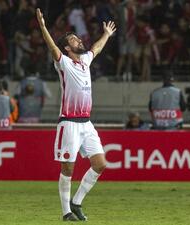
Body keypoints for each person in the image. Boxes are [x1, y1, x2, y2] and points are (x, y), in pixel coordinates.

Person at [36, 8, 116, 221]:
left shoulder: (85, 61)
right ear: (67, 47)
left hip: (87, 123)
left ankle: (77, 202)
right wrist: (43, 27)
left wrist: (106, 35)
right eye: (74, 40)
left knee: (100, 164)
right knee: (68, 169)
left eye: (78, 39)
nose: (79, 41)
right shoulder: (63, 62)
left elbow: (96, 49)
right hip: (69, 123)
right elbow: (52, 46)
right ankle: (66, 212)